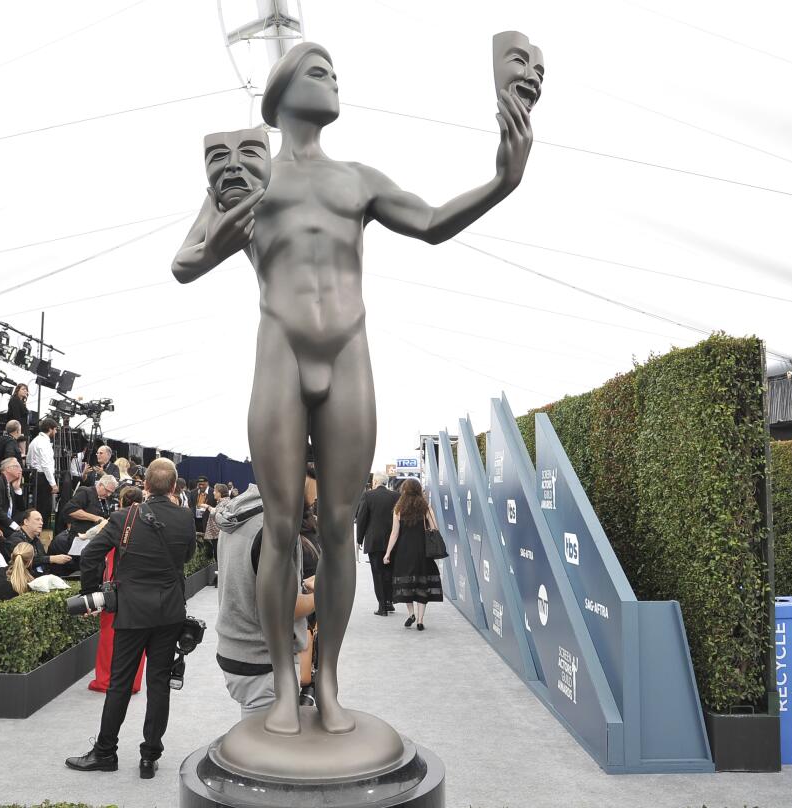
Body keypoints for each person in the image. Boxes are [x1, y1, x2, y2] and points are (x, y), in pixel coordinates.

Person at [171, 39, 536, 734]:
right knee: (281, 528)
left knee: (337, 527)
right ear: (278, 95)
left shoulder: (357, 179)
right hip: (279, 352)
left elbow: (430, 223)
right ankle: (284, 683)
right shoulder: (247, 172)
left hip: (349, 358)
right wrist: (221, 237)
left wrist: (503, 181)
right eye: (317, 71)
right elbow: (185, 262)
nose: (333, 80)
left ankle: (327, 678)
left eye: (334, 71)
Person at [67, 458, 196, 779]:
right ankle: (149, 757)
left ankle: (105, 752)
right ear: (175, 486)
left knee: (120, 684)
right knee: (159, 684)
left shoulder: (124, 517)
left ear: (146, 485)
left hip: (132, 611)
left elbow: (91, 556)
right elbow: (189, 557)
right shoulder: (184, 518)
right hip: (169, 613)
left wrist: (91, 594)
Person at [214, 484, 314, 718]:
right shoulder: (274, 527)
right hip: (262, 657)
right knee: (269, 747)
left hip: (237, 648)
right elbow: (283, 609)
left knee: (256, 737)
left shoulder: (240, 514)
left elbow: (253, 584)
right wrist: (322, 595)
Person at [88, 484, 148, 695]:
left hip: (115, 588)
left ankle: (105, 680)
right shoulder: (151, 522)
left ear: (121, 502)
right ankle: (133, 682)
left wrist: (89, 592)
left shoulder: (115, 521)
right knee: (138, 638)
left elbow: (91, 553)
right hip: (143, 590)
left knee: (108, 637)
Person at [383, 478, 444, 630]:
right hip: (423, 551)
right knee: (422, 584)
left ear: (404, 490)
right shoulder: (426, 508)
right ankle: (420, 620)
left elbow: (394, 534)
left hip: (404, 551)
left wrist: (388, 553)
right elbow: (435, 528)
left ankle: (411, 613)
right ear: (418, 490)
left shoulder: (399, 509)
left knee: (406, 583)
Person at [355, 473, 400, 616]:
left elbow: (361, 518)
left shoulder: (368, 496)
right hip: (392, 541)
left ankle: (382, 607)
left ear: (375, 481)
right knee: (389, 572)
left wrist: (359, 539)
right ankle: (389, 602)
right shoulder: (396, 496)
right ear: (386, 483)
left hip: (373, 540)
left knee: (377, 573)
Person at [6, 508, 71, 573]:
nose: (41, 523)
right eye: (37, 520)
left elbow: (43, 559)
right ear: (26, 522)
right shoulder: (15, 540)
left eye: (42, 520)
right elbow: (25, 561)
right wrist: (51, 559)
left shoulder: (36, 539)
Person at [27, 418, 59, 523]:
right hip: (43, 478)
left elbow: (28, 460)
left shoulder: (34, 441)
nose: (56, 432)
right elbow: (46, 465)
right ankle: (41, 531)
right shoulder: (44, 443)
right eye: (55, 429)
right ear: (50, 429)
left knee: (38, 506)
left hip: (36, 476)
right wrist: (53, 484)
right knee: (44, 508)